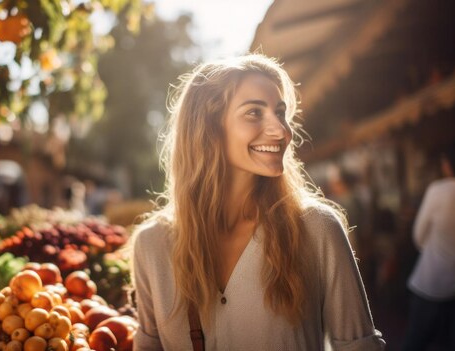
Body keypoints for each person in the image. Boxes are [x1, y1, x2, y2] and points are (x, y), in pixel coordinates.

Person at [131, 54, 385, 350]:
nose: (282, 131)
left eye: (281, 113)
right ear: (209, 127)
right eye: (254, 113)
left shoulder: (318, 229)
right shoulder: (151, 245)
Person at [402, 141, 455, 351]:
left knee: (415, 342)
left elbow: (419, 237)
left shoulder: (439, 190)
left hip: (432, 283)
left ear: (448, 164)